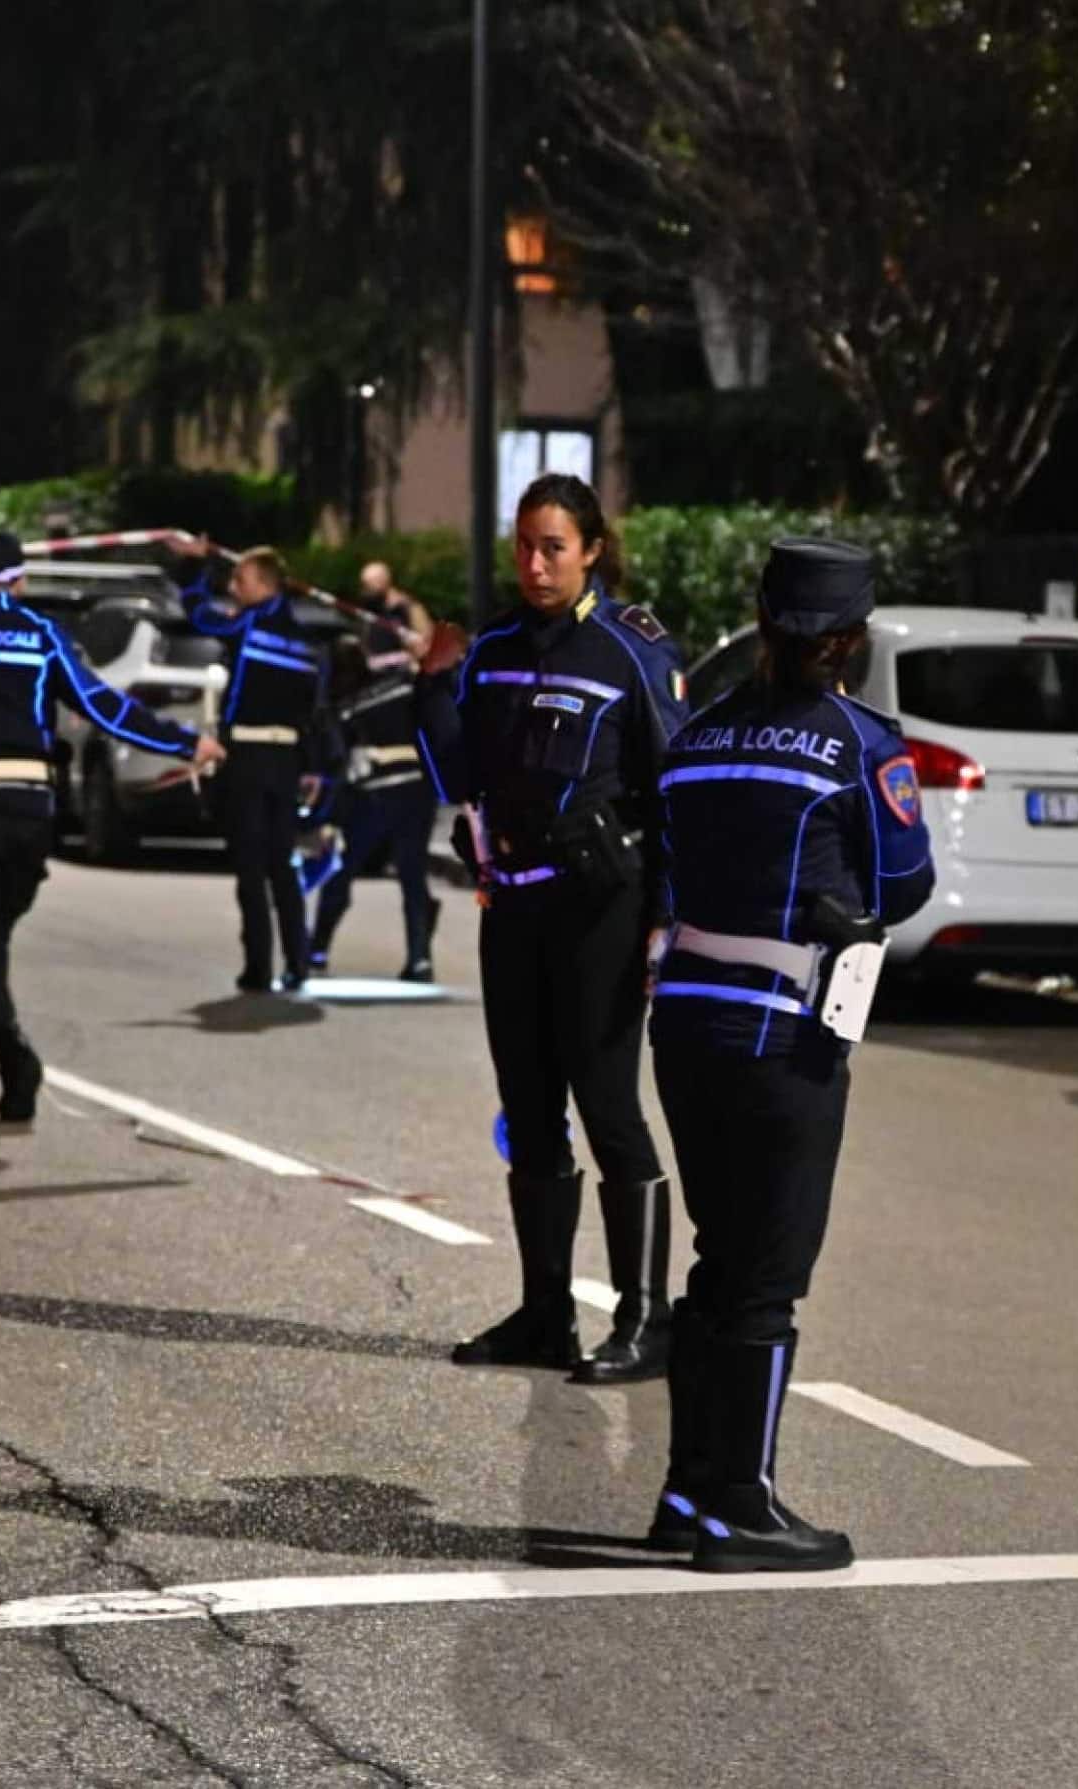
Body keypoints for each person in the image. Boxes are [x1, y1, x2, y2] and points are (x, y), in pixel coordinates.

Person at [641, 537, 934, 1571]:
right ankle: (742, 1505)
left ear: (763, 621)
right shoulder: (862, 743)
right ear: (851, 638)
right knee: (766, 1276)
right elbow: (904, 884)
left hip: (683, 1025)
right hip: (784, 1033)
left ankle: (686, 1492)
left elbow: (668, 864)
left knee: (717, 1260)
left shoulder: (700, 734)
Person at [416, 473, 687, 1385]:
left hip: (600, 909)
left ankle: (646, 1320)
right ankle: (544, 1314)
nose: (535, 564)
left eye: (554, 547)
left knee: (607, 1107)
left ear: (593, 550)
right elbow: (457, 771)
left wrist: (666, 919)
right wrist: (434, 685)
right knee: (529, 1111)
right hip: (513, 903)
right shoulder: (491, 645)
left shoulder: (630, 649)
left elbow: (673, 789)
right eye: (525, 545)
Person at [0, 532, 221, 1123]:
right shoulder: (42, 635)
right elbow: (103, 706)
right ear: (19, 580)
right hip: (29, 809)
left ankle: (14, 1056)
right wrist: (183, 742)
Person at [187, 546, 333, 994]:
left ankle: (258, 968)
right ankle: (298, 962)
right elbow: (316, 711)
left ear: (266, 586)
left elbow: (200, 617)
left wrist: (196, 569)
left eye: (241, 581)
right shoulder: (308, 643)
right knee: (282, 867)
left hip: (248, 758)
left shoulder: (249, 624)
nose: (233, 589)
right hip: (287, 760)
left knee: (251, 869)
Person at [309, 598, 441, 981]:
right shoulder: (411, 683)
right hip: (415, 789)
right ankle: (420, 959)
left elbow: (336, 754)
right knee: (412, 876)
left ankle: (316, 950)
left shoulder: (349, 700)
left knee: (343, 869)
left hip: (371, 793)